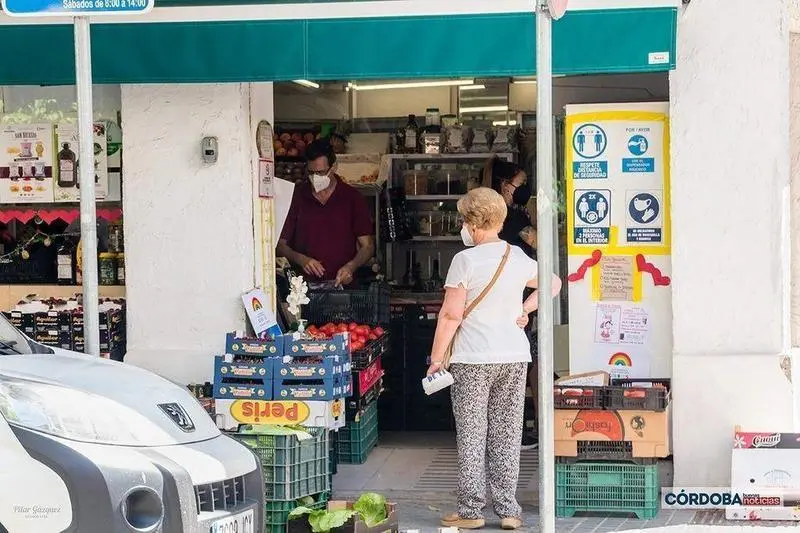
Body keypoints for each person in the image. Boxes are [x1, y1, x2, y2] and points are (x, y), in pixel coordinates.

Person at [427, 187, 561, 530]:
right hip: (514, 357)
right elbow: (554, 283)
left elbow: (450, 315)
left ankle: (471, 512)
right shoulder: (516, 256)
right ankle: (508, 511)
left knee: (473, 434)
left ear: (472, 224)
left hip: (473, 359)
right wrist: (525, 309)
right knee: (506, 433)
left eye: (462, 220)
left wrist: (436, 357)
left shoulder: (465, 260)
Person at [484, 156, 541, 449]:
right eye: (520, 183)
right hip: (517, 297)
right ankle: (515, 431)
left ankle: (509, 430)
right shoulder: (514, 218)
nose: (524, 188)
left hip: (500, 296)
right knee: (523, 361)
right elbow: (540, 243)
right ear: (506, 186)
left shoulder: (494, 215)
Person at [277, 139, 374, 287]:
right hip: (302, 290)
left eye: (321, 172)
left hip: (341, 286)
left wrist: (351, 267)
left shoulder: (352, 198)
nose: (315, 178)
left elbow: (367, 246)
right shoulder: (296, 196)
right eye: (311, 172)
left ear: (334, 167)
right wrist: (301, 259)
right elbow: (280, 244)